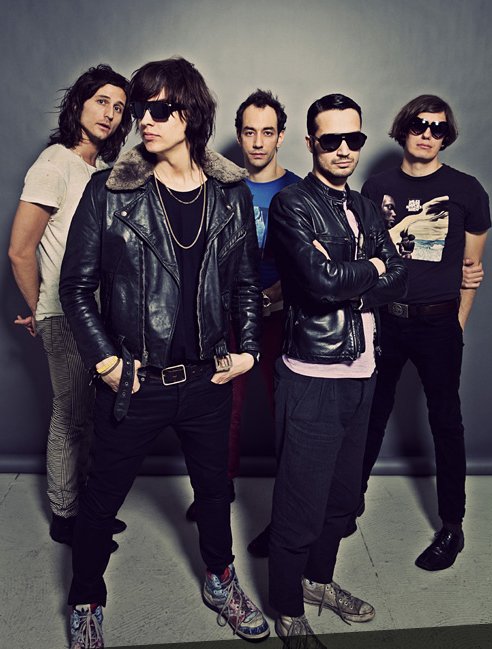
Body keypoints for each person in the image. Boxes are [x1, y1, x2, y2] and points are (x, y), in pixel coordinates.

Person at [59, 57, 270, 648]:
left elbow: (246, 283)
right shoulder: (110, 191)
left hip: (207, 379)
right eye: (139, 109)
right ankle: (85, 598)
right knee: (100, 501)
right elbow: (74, 287)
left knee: (215, 494)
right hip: (135, 381)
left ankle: (220, 580)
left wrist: (249, 350)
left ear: (190, 114)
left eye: (158, 109)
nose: (143, 121)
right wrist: (106, 361)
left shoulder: (229, 193)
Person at [267, 93, 407, 644]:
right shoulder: (292, 205)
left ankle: (317, 582)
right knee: (299, 503)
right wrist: (372, 266)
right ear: (311, 143)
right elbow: (319, 285)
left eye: (355, 139)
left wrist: (360, 275)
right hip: (313, 375)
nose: (345, 149)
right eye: (332, 140)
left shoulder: (366, 207)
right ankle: (287, 608)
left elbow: (399, 275)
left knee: (342, 499)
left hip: (363, 371)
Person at [358, 94, 490, 571]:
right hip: (386, 320)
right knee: (371, 413)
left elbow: (472, 270)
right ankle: (349, 502)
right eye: (419, 124)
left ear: (446, 136)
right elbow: (366, 257)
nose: (428, 134)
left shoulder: (467, 190)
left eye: (438, 128)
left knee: (446, 422)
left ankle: (452, 525)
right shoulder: (376, 187)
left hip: (438, 322)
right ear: (404, 129)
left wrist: (457, 322)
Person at [8, 64, 132, 550]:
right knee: (71, 415)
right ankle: (65, 516)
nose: (110, 113)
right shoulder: (54, 164)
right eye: (101, 101)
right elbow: (21, 250)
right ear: (78, 103)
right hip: (65, 315)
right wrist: (41, 309)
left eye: (118, 107)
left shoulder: (97, 172)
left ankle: (86, 508)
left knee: (96, 416)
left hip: (98, 315)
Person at [185, 89, 300, 537]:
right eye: (249, 132)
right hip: (229, 313)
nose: (257, 142)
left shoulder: (297, 190)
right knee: (224, 405)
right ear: (238, 134)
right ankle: (218, 488)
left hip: (283, 313)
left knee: (284, 406)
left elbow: (310, 260)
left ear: (281, 137)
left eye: (267, 132)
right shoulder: (220, 187)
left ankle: (289, 499)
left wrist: (272, 296)